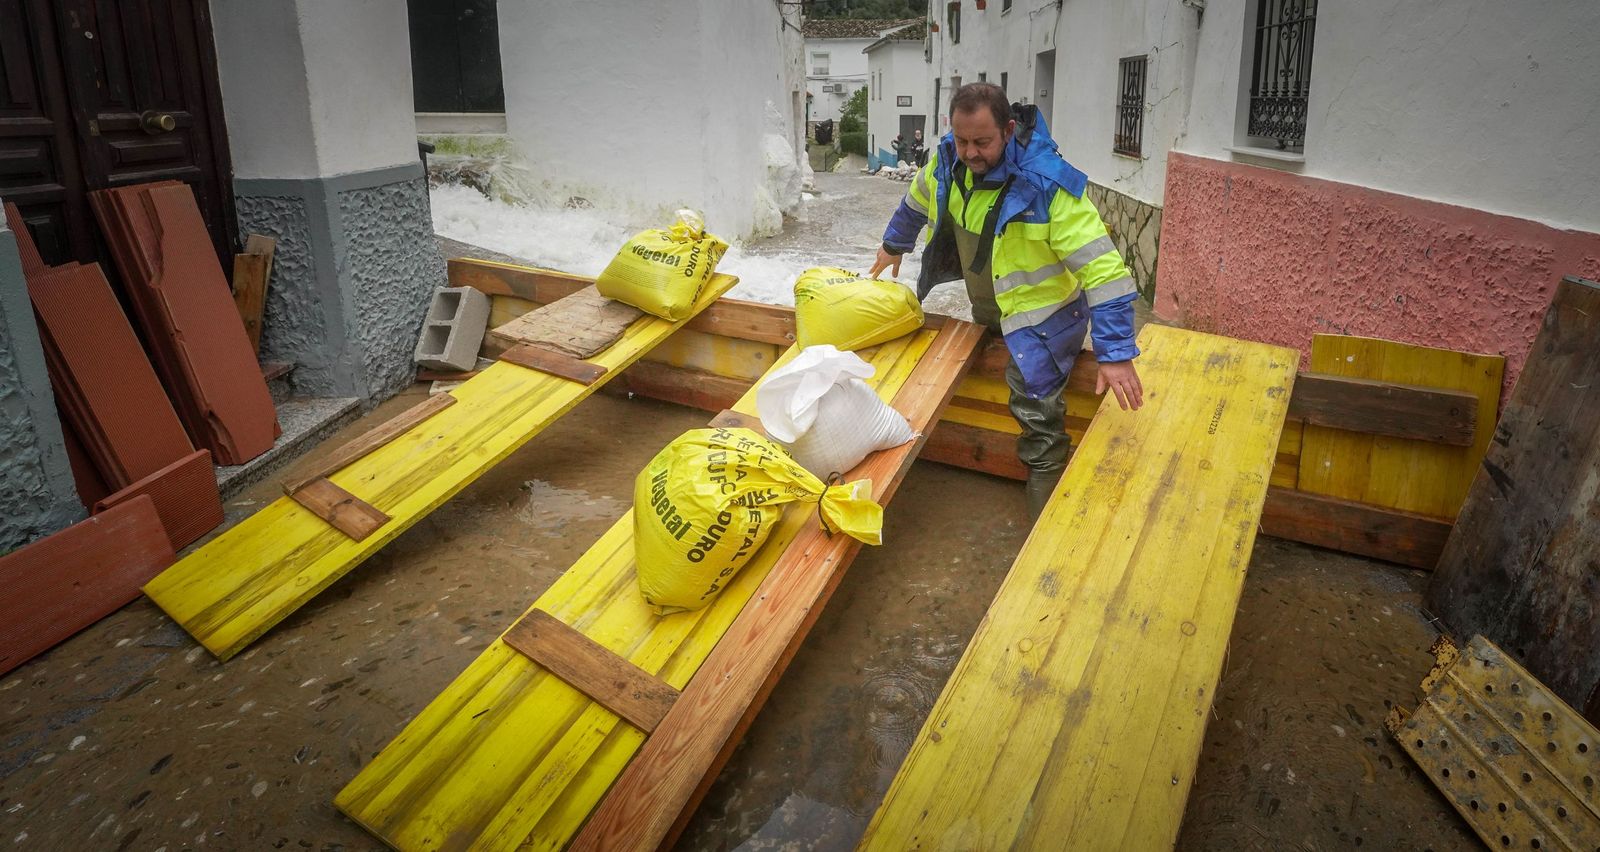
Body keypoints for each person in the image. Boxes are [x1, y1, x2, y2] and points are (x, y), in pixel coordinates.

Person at [868, 82, 1143, 519]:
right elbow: (915, 201)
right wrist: (893, 245)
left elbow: (1105, 273)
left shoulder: (1047, 185)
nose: (970, 153)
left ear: (1009, 129)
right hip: (993, 307)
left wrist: (1115, 353)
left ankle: (1045, 509)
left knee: (1034, 402)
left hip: (1048, 318)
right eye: (962, 140)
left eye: (982, 142)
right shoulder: (947, 164)